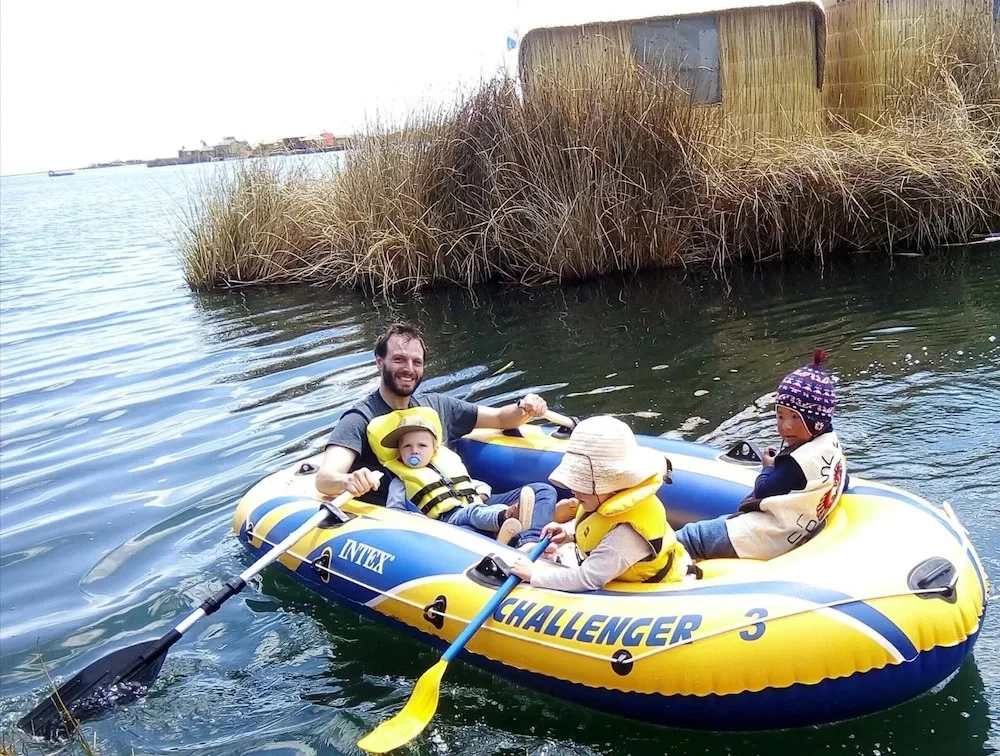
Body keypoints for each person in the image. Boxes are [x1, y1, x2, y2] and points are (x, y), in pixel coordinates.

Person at [316, 322, 557, 548]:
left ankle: (528, 544)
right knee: (470, 537)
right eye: (399, 359)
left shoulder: (435, 407)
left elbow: (500, 419)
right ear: (380, 362)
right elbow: (324, 478)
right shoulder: (360, 418)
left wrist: (525, 407)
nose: (409, 369)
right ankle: (509, 540)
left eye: (416, 362)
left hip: (468, 501)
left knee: (541, 491)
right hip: (428, 520)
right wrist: (348, 481)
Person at [675, 348, 848, 561]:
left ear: (817, 420)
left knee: (694, 536)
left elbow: (764, 490)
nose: (785, 426)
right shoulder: (829, 442)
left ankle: (648, 565)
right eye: (780, 415)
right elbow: (842, 479)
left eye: (795, 417)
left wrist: (768, 467)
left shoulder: (796, 463)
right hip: (796, 530)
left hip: (769, 535)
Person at [509, 416, 691, 591]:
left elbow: (588, 578)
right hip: (614, 567)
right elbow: (598, 522)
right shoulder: (607, 498)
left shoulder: (626, 535)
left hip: (657, 588)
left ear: (613, 485)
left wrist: (535, 575)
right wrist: (567, 531)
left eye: (580, 483)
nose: (572, 487)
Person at [369, 407, 532, 544]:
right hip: (444, 521)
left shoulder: (447, 467)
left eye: (422, 445)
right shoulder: (400, 482)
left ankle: (511, 534)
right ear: (400, 453)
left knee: (479, 516)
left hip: (468, 510)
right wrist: (417, 520)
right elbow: (395, 512)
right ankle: (506, 515)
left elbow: (473, 484)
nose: (414, 450)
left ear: (434, 450)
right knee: (473, 514)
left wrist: (482, 492)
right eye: (407, 446)